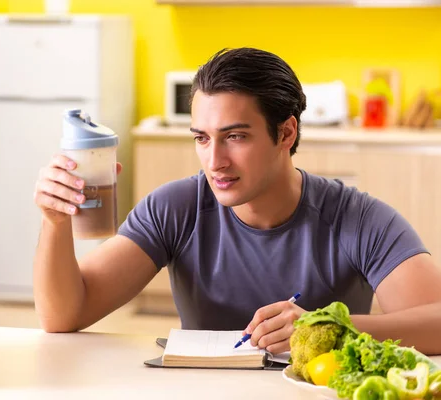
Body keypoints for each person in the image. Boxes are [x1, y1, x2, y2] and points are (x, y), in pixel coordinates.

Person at [33, 47, 441, 355]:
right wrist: (54, 222)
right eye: (202, 138)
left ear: (285, 134)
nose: (215, 162)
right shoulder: (175, 208)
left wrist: (333, 327)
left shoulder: (357, 217)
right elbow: (64, 314)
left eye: (235, 136)